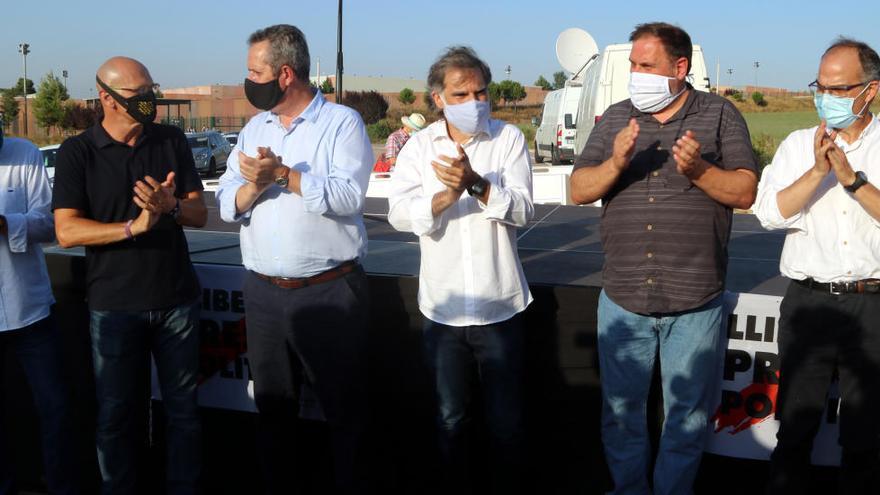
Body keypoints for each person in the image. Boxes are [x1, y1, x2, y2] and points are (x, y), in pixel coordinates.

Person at [569, 22, 758, 494]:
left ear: (680, 67)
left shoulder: (719, 114)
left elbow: (745, 191)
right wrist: (614, 163)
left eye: (645, 65)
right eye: (633, 64)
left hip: (695, 302)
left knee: (687, 420)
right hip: (624, 299)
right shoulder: (614, 117)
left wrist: (697, 169)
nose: (635, 73)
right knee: (620, 415)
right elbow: (576, 190)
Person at [215, 24, 373, 494]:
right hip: (264, 294)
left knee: (345, 414)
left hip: (329, 291)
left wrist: (283, 174)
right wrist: (255, 184)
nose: (247, 80)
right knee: (273, 409)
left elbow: (347, 196)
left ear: (285, 74)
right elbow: (226, 202)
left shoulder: (342, 123)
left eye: (254, 71)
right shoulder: (253, 128)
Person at [52, 56, 207, 495]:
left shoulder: (171, 140)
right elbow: (66, 230)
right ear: (107, 98)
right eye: (139, 95)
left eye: (150, 90)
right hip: (114, 308)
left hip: (177, 301)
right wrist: (132, 227)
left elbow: (198, 211)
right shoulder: (78, 152)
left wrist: (169, 207)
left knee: (183, 415)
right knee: (116, 418)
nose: (149, 100)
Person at [388, 46, 534, 493]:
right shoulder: (418, 147)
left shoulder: (507, 140)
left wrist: (477, 184)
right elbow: (398, 213)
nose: (474, 101)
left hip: (500, 308)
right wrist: (445, 197)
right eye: (461, 93)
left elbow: (524, 211)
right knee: (451, 421)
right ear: (438, 99)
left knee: (506, 425)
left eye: (481, 91)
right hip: (444, 313)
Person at [754, 38, 880, 494]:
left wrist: (851, 180)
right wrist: (815, 174)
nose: (824, 97)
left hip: (872, 305)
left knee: (867, 438)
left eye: (838, 88)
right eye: (819, 86)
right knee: (795, 428)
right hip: (808, 302)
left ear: (870, 91)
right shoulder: (794, 145)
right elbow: (768, 213)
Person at [0, 127, 79, 494]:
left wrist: (6, 224)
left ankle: (61, 485)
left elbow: (50, 225)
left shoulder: (24, 153)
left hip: (28, 310)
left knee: (55, 408)